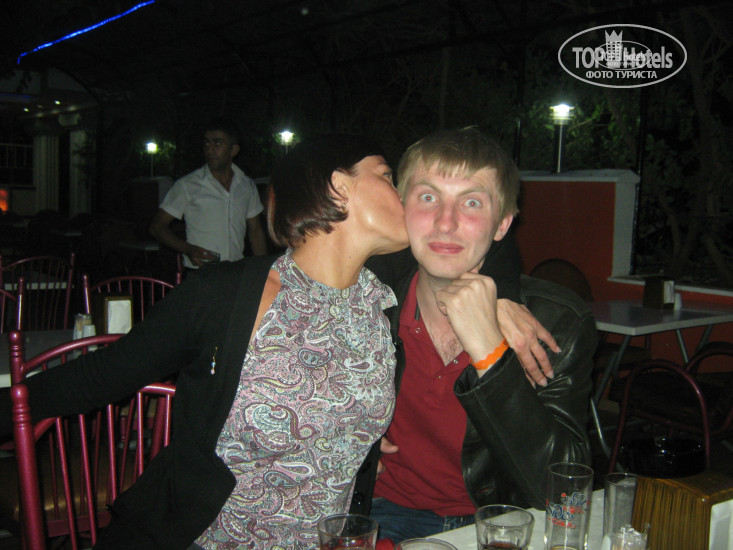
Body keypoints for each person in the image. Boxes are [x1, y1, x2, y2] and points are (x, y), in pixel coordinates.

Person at [1, 134, 410, 549]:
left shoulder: (380, 299)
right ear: (339, 186)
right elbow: (103, 375)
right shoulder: (223, 296)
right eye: (387, 176)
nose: (402, 194)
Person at [351, 127, 597, 542]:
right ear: (401, 208)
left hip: (500, 523)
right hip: (382, 513)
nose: (446, 223)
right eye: (428, 198)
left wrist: (490, 354)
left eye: (471, 203)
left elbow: (562, 492)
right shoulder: (367, 305)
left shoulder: (557, 322)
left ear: (501, 225)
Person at [149, 117, 269, 268]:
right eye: (207, 143)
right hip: (202, 271)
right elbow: (157, 226)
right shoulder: (188, 185)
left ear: (233, 150)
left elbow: (255, 231)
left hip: (236, 270)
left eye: (217, 144)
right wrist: (188, 249)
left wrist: (264, 271)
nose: (210, 150)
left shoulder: (246, 185)